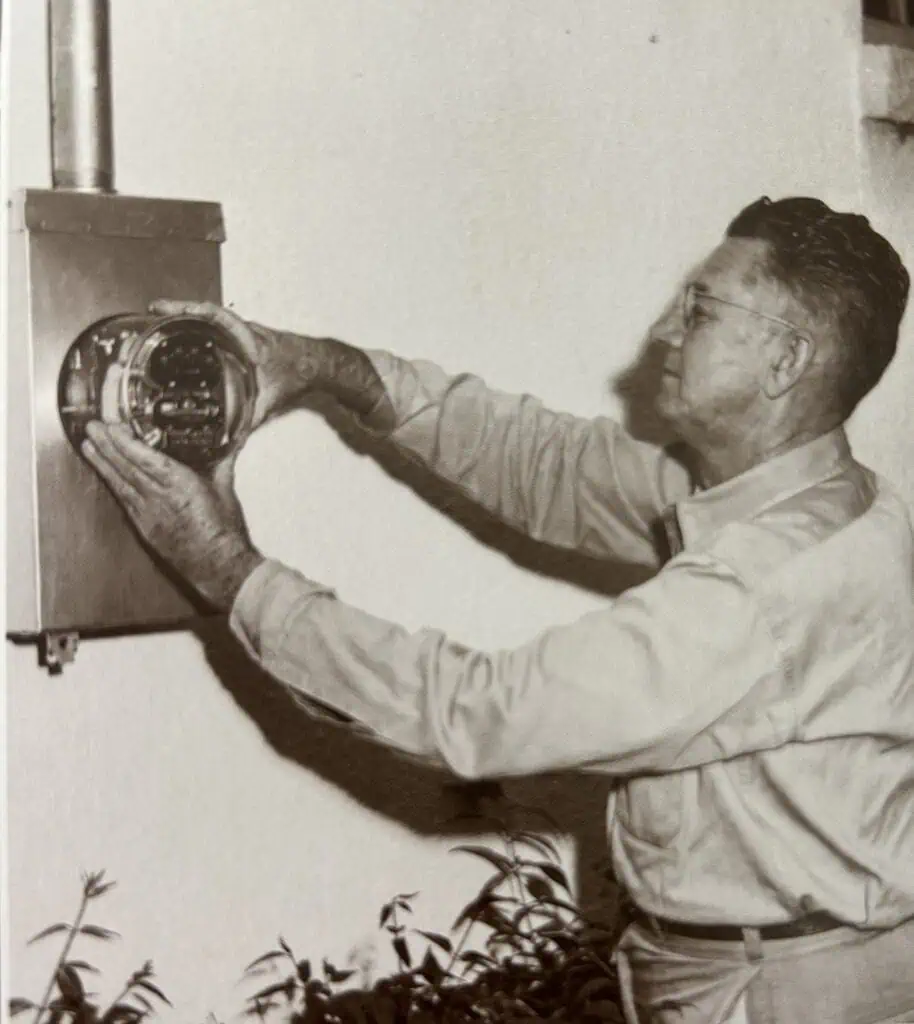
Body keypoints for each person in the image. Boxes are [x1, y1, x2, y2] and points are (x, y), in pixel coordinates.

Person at [81, 196, 914, 1024]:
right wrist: (322, 367)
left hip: (780, 993)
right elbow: (549, 464)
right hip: (757, 964)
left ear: (785, 360)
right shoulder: (816, 500)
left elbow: (477, 714)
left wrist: (231, 573)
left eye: (700, 308)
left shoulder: (758, 587)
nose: (664, 329)